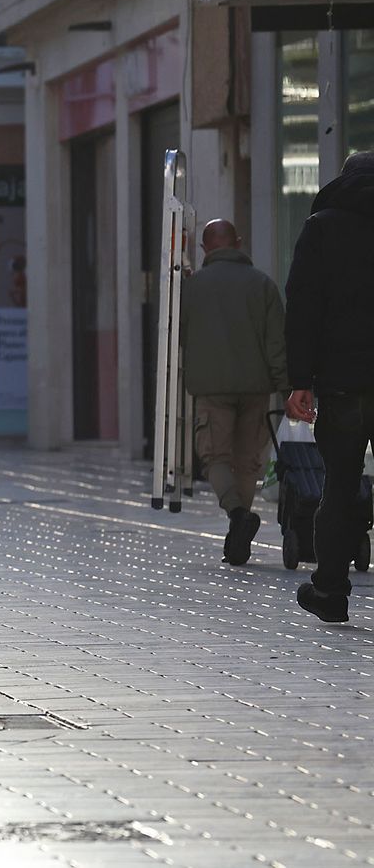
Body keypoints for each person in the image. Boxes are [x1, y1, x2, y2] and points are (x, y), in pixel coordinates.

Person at [287, 153, 374, 623]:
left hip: (341, 384)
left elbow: (302, 308)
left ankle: (331, 592)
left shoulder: (322, 227)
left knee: (339, 487)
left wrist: (300, 381)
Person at [181, 219, 286, 566]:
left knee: (215, 457)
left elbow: (176, 336)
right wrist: (287, 389)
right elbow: (277, 345)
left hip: (212, 388)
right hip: (256, 388)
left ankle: (238, 516)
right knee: (247, 461)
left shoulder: (192, 289)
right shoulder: (263, 285)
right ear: (238, 243)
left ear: (205, 249)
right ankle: (237, 536)